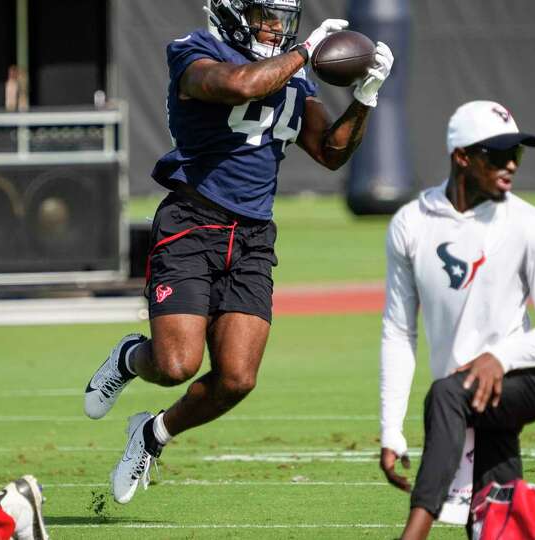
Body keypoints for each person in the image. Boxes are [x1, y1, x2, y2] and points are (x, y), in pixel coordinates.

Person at [83, 0, 394, 504]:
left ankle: (152, 435)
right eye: (263, 15)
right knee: (176, 365)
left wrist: (366, 97)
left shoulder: (292, 73)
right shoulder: (194, 51)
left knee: (237, 378)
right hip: (191, 223)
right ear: (231, 12)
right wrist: (307, 51)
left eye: (282, 17)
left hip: (252, 236)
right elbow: (241, 85)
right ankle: (128, 358)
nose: (275, 27)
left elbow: (331, 153)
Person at [377, 100, 535, 539]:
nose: (510, 164)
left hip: (523, 380)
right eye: (497, 154)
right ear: (462, 157)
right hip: (472, 399)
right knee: (495, 521)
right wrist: (391, 429)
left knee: (447, 395)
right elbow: (398, 332)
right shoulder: (410, 224)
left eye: (517, 154)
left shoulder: (530, 223)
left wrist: (499, 357)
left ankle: (413, 534)